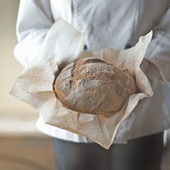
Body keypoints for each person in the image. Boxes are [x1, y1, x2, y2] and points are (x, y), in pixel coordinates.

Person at [14, 0, 170, 170]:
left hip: (145, 98)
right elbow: (31, 29)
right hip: (69, 108)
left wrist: (145, 63)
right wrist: (54, 60)